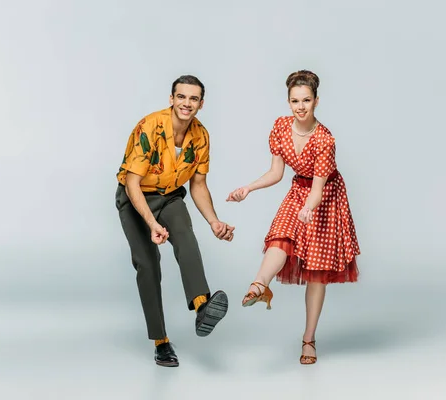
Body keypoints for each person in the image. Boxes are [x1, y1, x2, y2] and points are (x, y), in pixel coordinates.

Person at [226, 70, 360, 365]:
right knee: (281, 234)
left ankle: (309, 339)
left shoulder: (325, 140)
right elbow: (276, 173)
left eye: (306, 101)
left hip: (325, 198)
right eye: (295, 101)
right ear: (288, 102)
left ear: (316, 101)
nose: (300, 107)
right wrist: (248, 188)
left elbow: (319, 188)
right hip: (298, 189)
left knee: (316, 270)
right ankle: (259, 285)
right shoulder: (280, 127)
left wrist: (310, 208)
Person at [115, 75, 234, 367]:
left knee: (185, 235)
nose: (187, 103)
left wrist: (214, 221)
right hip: (135, 200)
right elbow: (132, 183)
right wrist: (152, 224)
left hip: (169, 196)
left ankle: (202, 307)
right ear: (172, 99)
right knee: (148, 264)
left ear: (201, 104)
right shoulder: (149, 127)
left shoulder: (201, 136)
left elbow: (198, 185)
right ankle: (161, 342)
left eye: (193, 99)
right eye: (181, 97)